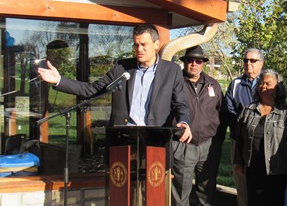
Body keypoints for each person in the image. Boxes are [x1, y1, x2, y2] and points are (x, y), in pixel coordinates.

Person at [37, 24, 192, 139]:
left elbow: (180, 104)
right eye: (136, 44)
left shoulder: (172, 71)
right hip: (123, 137)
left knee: (152, 182)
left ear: (156, 45)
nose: (139, 49)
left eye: (144, 44)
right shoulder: (121, 68)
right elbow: (92, 90)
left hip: (157, 138)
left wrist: (184, 122)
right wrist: (59, 80)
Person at [234, 68, 287, 206]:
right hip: (253, 168)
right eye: (261, 83)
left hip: (278, 169)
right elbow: (239, 138)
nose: (263, 86)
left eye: (268, 84)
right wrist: (238, 162)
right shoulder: (248, 111)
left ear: (278, 88)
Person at [170, 45, 223, 206]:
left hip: (208, 146)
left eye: (198, 61)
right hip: (183, 145)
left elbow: (221, 113)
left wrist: (217, 141)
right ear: (185, 63)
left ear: (203, 64)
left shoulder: (213, 85)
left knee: (206, 191)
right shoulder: (175, 84)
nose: (194, 64)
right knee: (180, 193)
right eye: (190, 60)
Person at [224, 48, 264, 206]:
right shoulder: (236, 84)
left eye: (253, 61)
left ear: (261, 63)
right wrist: (243, 129)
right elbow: (229, 110)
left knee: (264, 185)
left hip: (263, 143)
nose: (248, 63)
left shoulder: (269, 82)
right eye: (246, 60)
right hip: (240, 141)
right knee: (242, 187)